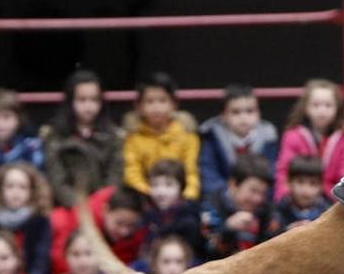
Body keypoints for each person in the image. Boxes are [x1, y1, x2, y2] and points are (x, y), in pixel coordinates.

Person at [41, 69, 125, 206]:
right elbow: (57, 181)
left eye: (94, 100)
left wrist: (100, 202)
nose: (88, 106)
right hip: (70, 207)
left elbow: (115, 177)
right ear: (70, 102)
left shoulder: (114, 136)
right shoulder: (55, 136)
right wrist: (81, 205)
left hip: (105, 206)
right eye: (82, 100)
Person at [274, 79, 344, 202]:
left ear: (337, 108)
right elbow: (284, 172)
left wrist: (343, 198)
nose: (322, 111)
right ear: (306, 107)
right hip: (298, 199)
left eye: (328, 105)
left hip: (334, 200)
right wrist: (284, 198)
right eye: (316, 105)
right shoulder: (293, 135)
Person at [198, 84, 279, 209]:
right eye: (235, 112)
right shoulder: (212, 138)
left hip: (260, 204)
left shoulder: (269, 138)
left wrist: (257, 197)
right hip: (223, 205)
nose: (243, 117)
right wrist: (231, 198)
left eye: (250, 111)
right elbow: (209, 175)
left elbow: (273, 175)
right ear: (223, 115)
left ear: (259, 113)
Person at [122, 72, 200, 201]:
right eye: (150, 101)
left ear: (174, 104)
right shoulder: (133, 138)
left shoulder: (187, 136)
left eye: (162, 101)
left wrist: (187, 197)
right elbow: (132, 174)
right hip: (145, 199)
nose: (156, 107)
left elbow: (191, 173)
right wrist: (154, 195)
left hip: (180, 200)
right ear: (139, 107)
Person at [0, 88, 44, 202]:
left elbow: (39, 185)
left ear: (18, 119)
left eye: (7, 117)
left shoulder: (31, 147)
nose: (0, 124)